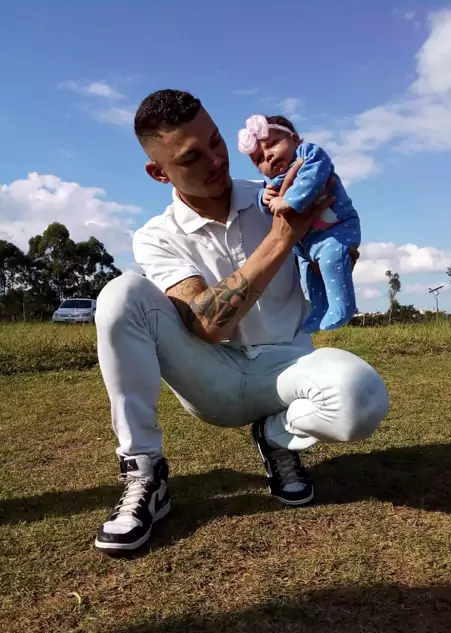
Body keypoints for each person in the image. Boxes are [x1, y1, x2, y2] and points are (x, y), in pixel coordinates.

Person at [93, 89, 389, 555]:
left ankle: (275, 436)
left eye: (216, 141)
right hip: (214, 377)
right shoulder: (156, 235)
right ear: (158, 172)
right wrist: (281, 238)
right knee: (121, 293)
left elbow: (333, 235)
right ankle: (144, 471)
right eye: (192, 156)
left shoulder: (275, 195)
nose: (216, 161)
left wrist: (335, 250)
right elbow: (209, 326)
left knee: (362, 397)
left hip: (288, 367)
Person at [238, 114, 361, 333]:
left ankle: (342, 306)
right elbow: (269, 205)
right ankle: (319, 309)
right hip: (306, 245)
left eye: (272, 144)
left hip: (336, 230)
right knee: (309, 276)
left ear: (295, 139)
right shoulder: (272, 182)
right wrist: (263, 199)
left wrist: (288, 201)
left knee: (331, 261)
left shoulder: (309, 155)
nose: (268, 156)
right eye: (259, 159)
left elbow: (312, 178)